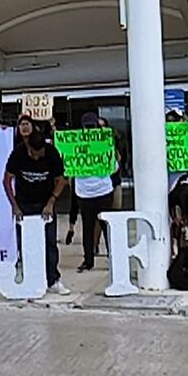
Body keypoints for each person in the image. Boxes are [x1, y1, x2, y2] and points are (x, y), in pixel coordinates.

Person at [3, 131, 70, 295]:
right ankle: (23, 276)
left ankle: (52, 279)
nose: (37, 158)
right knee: (22, 242)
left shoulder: (51, 153)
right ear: (28, 147)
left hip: (45, 202)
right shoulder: (18, 154)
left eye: (40, 155)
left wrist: (52, 201)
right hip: (24, 203)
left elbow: (62, 179)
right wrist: (14, 205)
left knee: (50, 242)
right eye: (34, 154)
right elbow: (6, 180)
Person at [71, 112, 115, 273]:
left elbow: (114, 166)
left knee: (106, 226)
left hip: (103, 190)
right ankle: (88, 260)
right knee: (88, 228)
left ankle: (113, 257)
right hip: (85, 192)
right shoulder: (76, 144)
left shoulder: (105, 142)